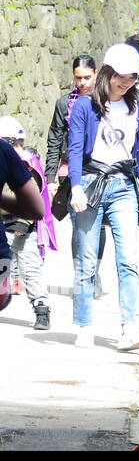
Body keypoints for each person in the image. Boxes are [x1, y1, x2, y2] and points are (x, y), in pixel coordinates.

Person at [66, 43, 139, 351]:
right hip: (91, 183)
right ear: (107, 73)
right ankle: (84, 324)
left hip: (122, 186)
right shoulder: (84, 107)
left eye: (132, 78)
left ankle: (128, 328)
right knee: (86, 260)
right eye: (121, 76)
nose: (126, 83)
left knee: (128, 259)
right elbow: (76, 149)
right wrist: (75, 187)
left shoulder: (138, 111)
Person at [0, 117, 55, 330]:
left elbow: (31, 197)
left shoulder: (26, 164)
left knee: (30, 271)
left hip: (22, 228)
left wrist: (22, 224)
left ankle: (42, 309)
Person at [45, 54, 98, 210]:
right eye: (78, 78)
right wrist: (49, 179)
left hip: (97, 167)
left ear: (96, 73)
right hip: (68, 168)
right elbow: (55, 139)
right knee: (77, 217)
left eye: (87, 77)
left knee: (97, 220)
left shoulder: (103, 101)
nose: (82, 83)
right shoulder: (64, 104)